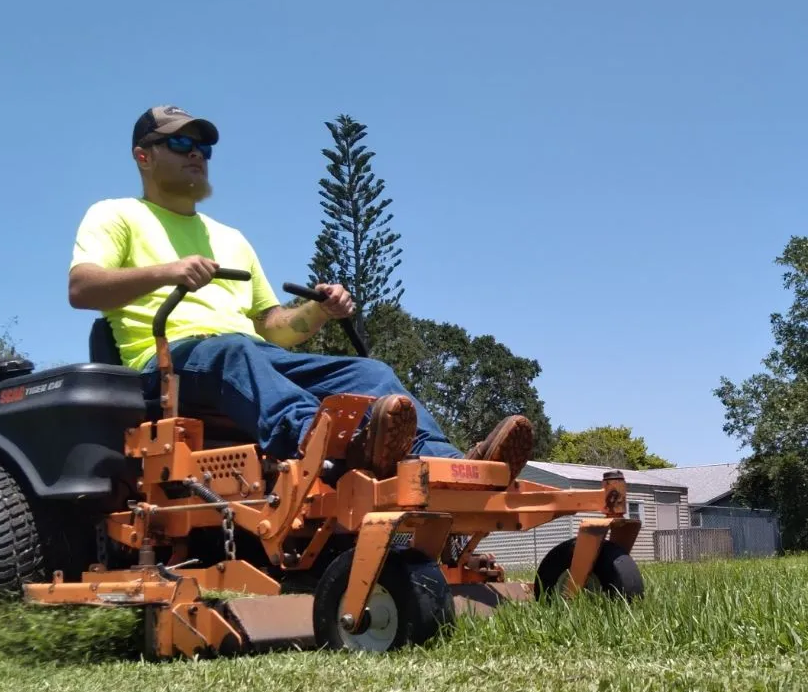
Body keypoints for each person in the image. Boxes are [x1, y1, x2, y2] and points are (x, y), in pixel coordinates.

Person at [68, 105, 534, 481]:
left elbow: (273, 329)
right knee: (232, 351)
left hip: (248, 357)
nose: (197, 154)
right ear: (143, 156)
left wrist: (320, 311)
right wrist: (168, 271)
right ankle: (332, 443)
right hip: (168, 365)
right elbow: (82, 288)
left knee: (371, 374)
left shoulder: (230, 237)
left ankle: (456, 467)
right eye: (180, 143)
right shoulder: (116, 215)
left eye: (204, 147)